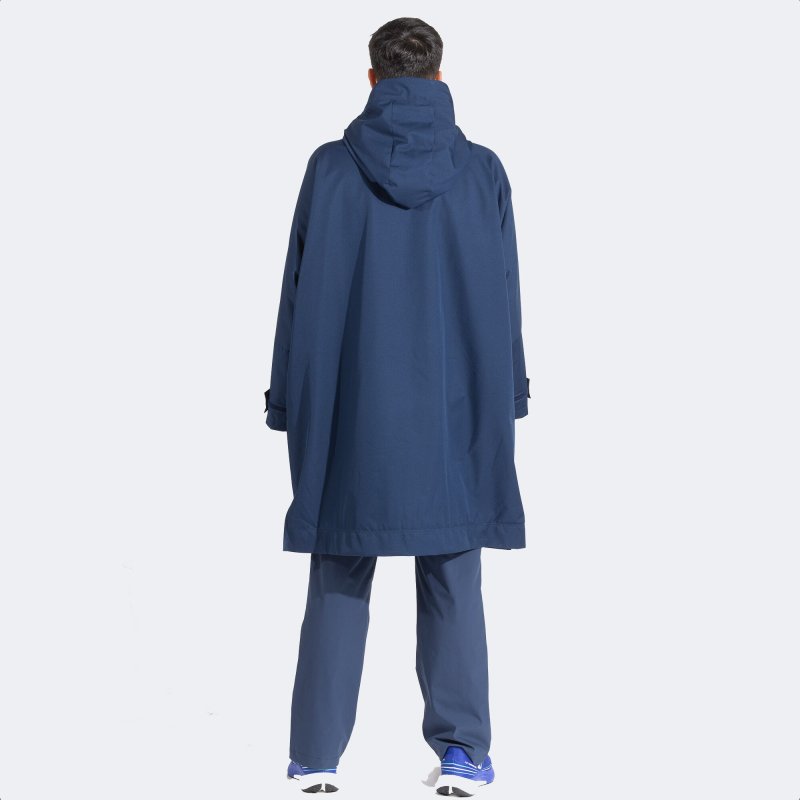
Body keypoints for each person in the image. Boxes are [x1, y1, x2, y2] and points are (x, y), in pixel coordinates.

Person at [265, 16, 530, 795]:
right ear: (440, 78)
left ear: (372, 79)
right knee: (452, 568)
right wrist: (511, 393)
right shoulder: (482, 173)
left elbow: (296, 296)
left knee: (340, 567)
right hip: (454, 407)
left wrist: (286, 401)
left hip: (354, 408)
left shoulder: (329, 170)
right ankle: (463, 754)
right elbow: (506, 296)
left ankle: (315, 760)